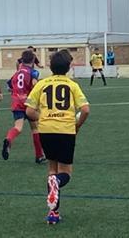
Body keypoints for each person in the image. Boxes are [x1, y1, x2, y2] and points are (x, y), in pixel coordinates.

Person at [25, 49, 91, 225]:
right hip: (66, 130)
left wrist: (45, 118)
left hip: (46, 131)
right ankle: (57, 184)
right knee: (65, 173)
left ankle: (53, 213)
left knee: (52, 170)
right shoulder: (72, 85)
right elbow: (85, 110)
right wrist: (77, 126)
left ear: (51, 67)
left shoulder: (41, 84)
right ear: (68, 67)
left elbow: (29, 111)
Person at [3, 50, 45, 163]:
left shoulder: (17, 73)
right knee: (36, 128)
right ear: (32, 61)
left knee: (18, 127)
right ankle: (39, 155)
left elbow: (9, 86)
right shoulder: (33, 72)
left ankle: (8, 139)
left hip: (17, 102)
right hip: (28, 103)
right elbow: (35, 85)